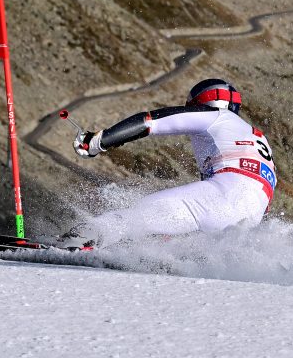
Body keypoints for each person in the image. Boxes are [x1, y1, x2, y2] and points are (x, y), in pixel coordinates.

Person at [71, 77, 276, 247]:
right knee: (167, 242)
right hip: (246, 221)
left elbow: (150, 122)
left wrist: (98, 142)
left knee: (135, 217)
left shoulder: (215, 116)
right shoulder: (257, 139)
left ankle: (76, 241)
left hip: (223, 193)